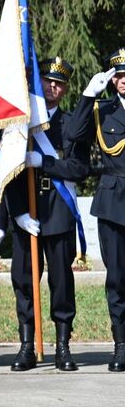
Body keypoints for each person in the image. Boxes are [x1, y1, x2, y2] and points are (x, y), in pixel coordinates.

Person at [0, 57, 88, 372]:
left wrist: (44, 162)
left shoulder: (72, 124)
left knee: (61, 281)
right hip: (27, 212)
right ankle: (26, 345)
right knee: (23, 279)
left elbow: (79, 168)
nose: (52, 87)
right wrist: (18, 212)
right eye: (47, 81)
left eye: (59, 83)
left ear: (64, 90)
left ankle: (62, 346)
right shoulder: (20, 124)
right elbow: (7, 170)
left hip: (58, 210)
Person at [65, 48, 125, 371]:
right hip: (113, 202)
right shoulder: (103, 110)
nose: (123, 81)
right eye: (118, 75)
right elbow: (73, 135)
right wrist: (89, 95)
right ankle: (121, 344)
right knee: (116, 277)